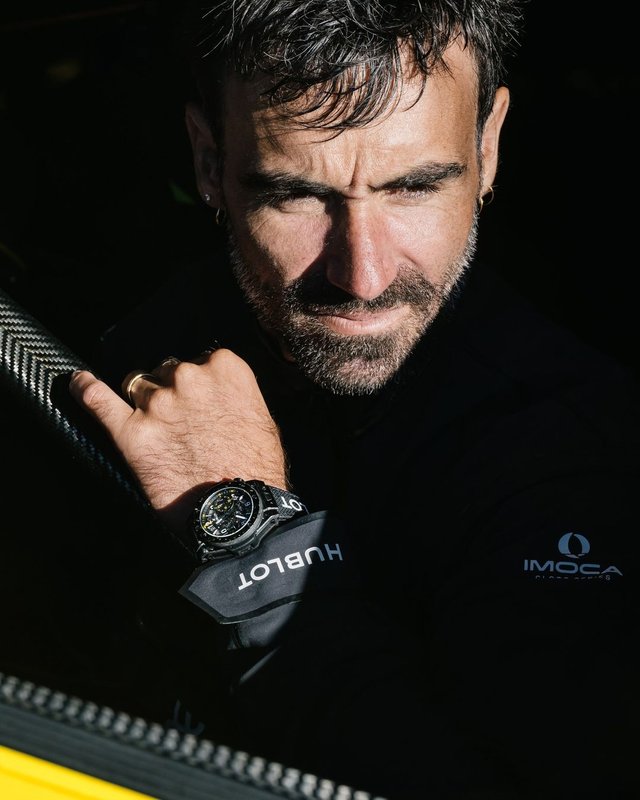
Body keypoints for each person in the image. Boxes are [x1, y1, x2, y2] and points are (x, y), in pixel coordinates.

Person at [68, 1, 640, 797]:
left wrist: (253, 538)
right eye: (296, 195)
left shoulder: (569, 457)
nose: (362, 277)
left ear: (487, 149)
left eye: (414, 187)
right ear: (208, 161)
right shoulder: (120, 338)